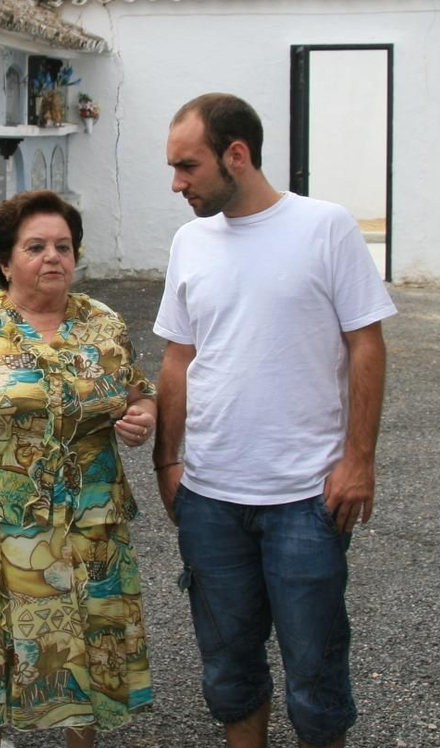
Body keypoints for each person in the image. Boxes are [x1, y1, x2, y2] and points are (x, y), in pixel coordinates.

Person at [152, 93, 395, 748]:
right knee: (229, 670)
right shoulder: (190, 240)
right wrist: (167, 463)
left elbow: (365, 342)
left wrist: (359, 459)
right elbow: (178, 358)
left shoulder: (326, 227)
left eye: (187, 166)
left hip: (306, 498)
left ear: (237, 154)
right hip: (210, 497)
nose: (177, 183)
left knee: (316, 675)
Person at [0, 189, 156, 746]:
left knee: (84, 651)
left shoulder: (103, 324)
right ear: (3, 259)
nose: (53, 258)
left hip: (88, 526)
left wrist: (141, 417)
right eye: (36, 246)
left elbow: (137, 395)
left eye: (63, 246)